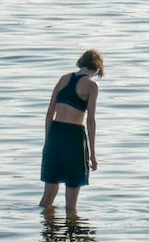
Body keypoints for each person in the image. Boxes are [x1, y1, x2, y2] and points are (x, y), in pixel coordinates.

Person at [40, 50, 103, 212]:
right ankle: (72, 232)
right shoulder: (91, 85)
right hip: (74, 137)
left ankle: (47, 232)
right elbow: (90, 120)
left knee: (47, 197)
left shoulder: (63, 78)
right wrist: (93, 154)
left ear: (81, 62)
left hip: (55, 134)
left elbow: (49, 115)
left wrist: (48, 142)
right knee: (71, 200)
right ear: (97, 68)